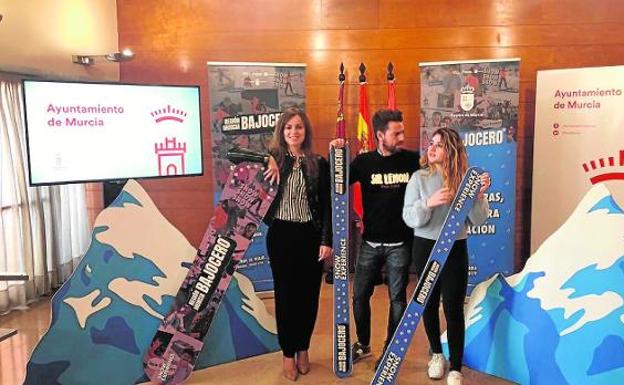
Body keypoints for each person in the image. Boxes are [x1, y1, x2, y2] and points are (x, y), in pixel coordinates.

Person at [228, 107, 332, 381]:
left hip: (310, 235)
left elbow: (327, 205)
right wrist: (266, 158)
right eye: (288, 128)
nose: (293, 132)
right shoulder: (272, 159)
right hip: (282, 235)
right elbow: (232, 155)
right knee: (286, 297)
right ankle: (287, 353)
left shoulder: (318, 163)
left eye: (298, 127)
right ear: (281, 132)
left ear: (305, 131)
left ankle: (303, 348)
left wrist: (326, 240)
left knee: (308, 297)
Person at [331, 108, 420, 368]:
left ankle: (390, 349)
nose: (402, 137)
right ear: (380, 135)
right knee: (359, 296)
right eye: (396, 133)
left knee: (397, 299)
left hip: (401, 244)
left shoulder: (413, 160)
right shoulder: (364, 162)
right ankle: (363, 344)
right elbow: (337, 180)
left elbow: (439, 171)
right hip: (369, 242)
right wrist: (336, 152)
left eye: (402, 131)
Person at [402, 127, 491, 385]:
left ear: (450, 150)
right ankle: (436, 355)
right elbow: (409, 217)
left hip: (455, 248)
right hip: (425, 246)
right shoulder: (418, 178)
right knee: (427, 304)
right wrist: (428, 204)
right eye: (430, 143)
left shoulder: (465, 180)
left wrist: (478, 196)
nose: (431, 148)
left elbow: (478, 218)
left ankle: (455, 368)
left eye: (438, 145)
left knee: (453, 307)